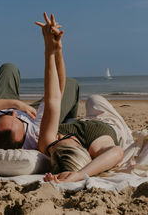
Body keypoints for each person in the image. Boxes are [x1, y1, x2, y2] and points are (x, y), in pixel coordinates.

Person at [35, 13, 124, 183]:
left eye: (56, 144)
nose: (60, 137)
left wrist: (54, 49)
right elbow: (117, 152)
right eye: (69, 140)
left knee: (82, 102)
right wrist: (79, 175)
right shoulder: (97, 147)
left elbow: (54, 97)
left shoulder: (48, 143)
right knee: (94, 99)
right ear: (82, 150)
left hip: (83, 121)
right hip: (109, 121)